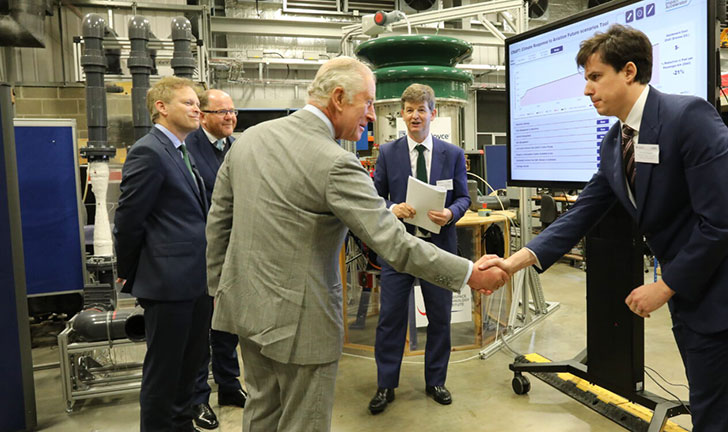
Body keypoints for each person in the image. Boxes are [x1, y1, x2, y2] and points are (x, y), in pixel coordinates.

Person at [478, 25, 728, 431]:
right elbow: (581, 213)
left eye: (594, 77)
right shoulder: (615, 141)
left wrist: (663, 285)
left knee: (715, 408)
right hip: (690, 288)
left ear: (627, 71)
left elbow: (721, 224)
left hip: (725, 288)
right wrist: (511, 263)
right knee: (711, 401)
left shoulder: (687, 117)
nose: (587, 90)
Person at [204, 57, 507, 432]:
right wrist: (467, 273)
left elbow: (219, 221)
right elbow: (394, 243)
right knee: (303, 422)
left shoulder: (249, 140)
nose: (369, 115)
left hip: (247, 311)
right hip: (304, 323)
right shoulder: (335, 162)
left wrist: (219, 287)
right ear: (338, 98)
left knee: (263, 412)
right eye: (366, 103)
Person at [113, 76, 211, 432]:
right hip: (167, 285)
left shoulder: (183, 150)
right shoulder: (149, 150)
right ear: (161, 107)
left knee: (189, 369)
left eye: (197, 104)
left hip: (195, 281)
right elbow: (128, 219)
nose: (197, 109)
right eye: (188, 103)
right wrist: (132, 271)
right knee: (164, 375)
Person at [368, 83, 470, 414]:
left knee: (440, 319)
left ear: (433, 114)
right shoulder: (387, 153)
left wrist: (451, 213)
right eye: (409, 110)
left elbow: (465, 197)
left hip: (438, 248)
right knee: (390, 319)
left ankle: (436, 381)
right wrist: (392, 208)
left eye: (421, 109)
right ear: (402, 115)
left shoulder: (452, 154)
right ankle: (385, 384)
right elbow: (373, 199)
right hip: (399, 249)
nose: (415, 115)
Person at [186, 89, 246, 430]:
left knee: (228, 326)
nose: (229, 117)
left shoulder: (237, 148)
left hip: (236, 252)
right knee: (202, 329)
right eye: (221, 112)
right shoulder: (190, 150)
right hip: (203, 253)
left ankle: (229, 385)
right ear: (204, 116)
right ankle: (198, 398)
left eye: (233, 112)